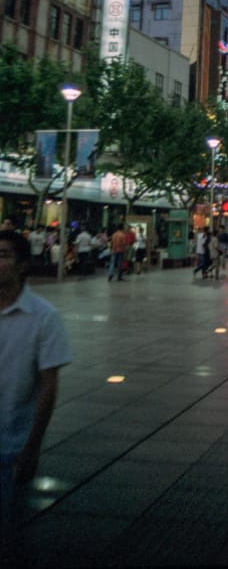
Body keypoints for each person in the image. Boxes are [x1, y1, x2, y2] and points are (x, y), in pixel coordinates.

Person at [0, 229, 72, 554]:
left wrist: (32, 446)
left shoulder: (44, 317)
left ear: (23, 265)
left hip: (10, 446)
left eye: (3, 255)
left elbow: (48, 386)